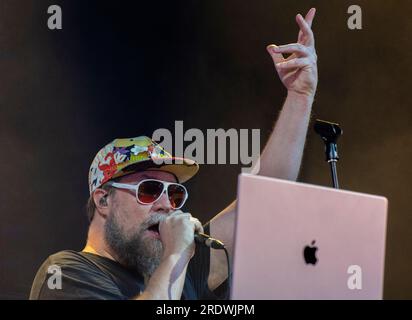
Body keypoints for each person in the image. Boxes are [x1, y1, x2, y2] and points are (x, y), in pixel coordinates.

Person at [30, 8, 318, 300]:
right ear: (104, 200)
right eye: (150, 190)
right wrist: (177, 252)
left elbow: (264, 196)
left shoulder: (183, 269)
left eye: (175, 194)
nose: (167, 204)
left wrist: (299, 96)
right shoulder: (68, 272)